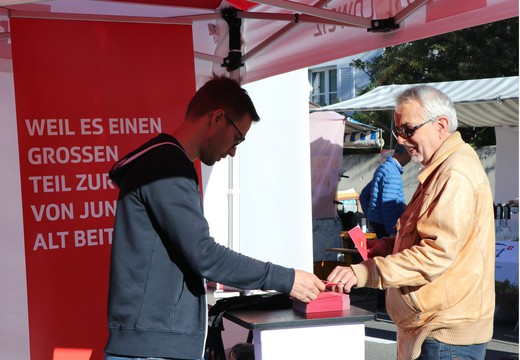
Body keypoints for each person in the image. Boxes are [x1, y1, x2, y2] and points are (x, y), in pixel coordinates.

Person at [104, 75, 325, 360]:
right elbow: (204, 255)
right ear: (217, 118)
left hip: (152, 342)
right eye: (236, 138)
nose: (233, 151)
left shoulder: (163, 163)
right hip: (151, 349)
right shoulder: (166, 166)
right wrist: (286, 278)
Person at [327, 85, 495, 360]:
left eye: (408, 130)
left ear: (441, 125)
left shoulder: (454, 172)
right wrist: (390, 245)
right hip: (436, 327)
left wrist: (366, 272)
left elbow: (435, 254)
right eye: (397, 132)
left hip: (443, 330)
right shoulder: (443, 167)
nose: (401, 140)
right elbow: (437, 239)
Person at [359, 144, 411, 238]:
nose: (411, 158)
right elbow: (388, 205)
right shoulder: (393, 173)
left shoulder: (384, 168)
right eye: (410, 153)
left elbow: (364, 195)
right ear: (405, 153)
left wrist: (371, 217)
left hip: (379, 224)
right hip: (387, 227)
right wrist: (392, 232)